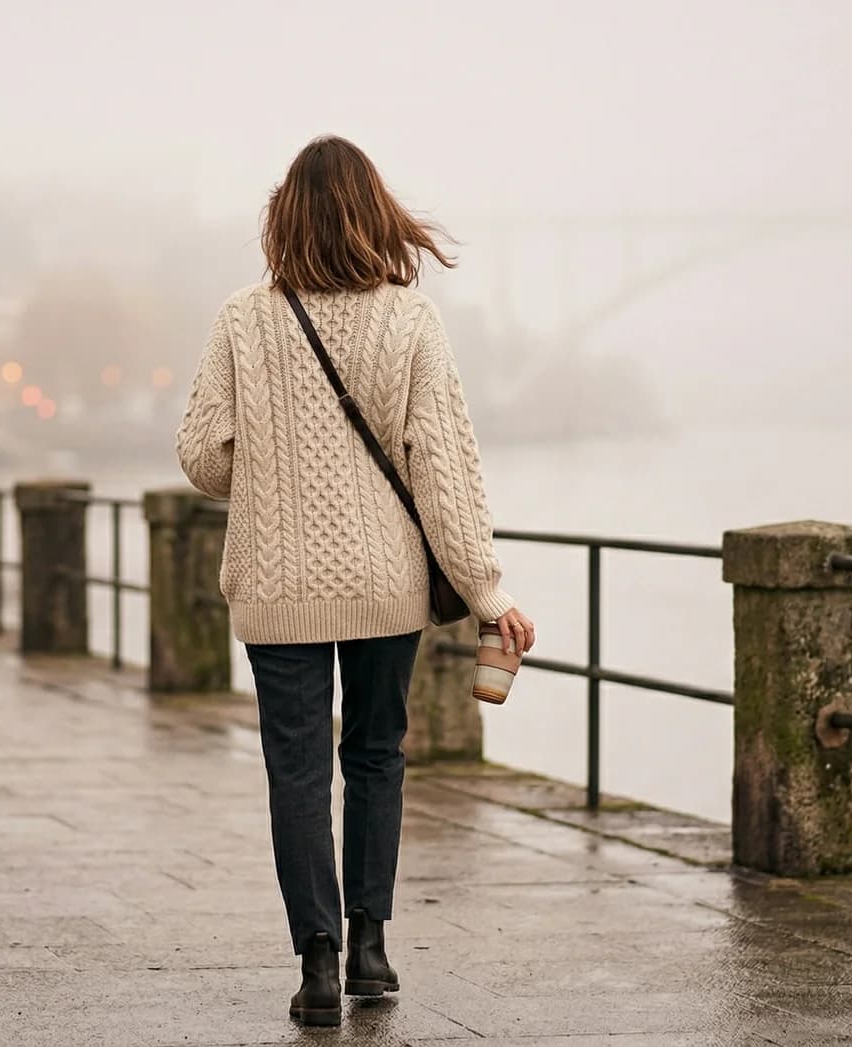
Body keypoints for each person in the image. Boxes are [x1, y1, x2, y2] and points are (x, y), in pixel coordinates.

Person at [175, 135, 536, 1028]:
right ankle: (373, 943)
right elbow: (443, 471)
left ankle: (319, 964)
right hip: (384, 582)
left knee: (295, 772)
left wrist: (270, 465)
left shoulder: (242, 318)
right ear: (376, 214)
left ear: (282, 218)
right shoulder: (411, 321)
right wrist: (488, 591)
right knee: (376, 755)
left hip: (274, 582)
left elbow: (200, 456)